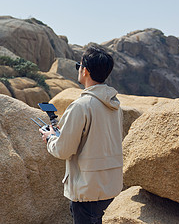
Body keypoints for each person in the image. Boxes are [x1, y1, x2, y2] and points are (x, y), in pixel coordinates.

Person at [39, 46, 123, 224]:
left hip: (88, 191)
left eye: (79, 65)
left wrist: (50, 139)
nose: (78, 69)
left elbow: (63, 151)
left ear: (85, 71)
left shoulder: (81, 105)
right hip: (110, 186)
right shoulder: (115, 105)